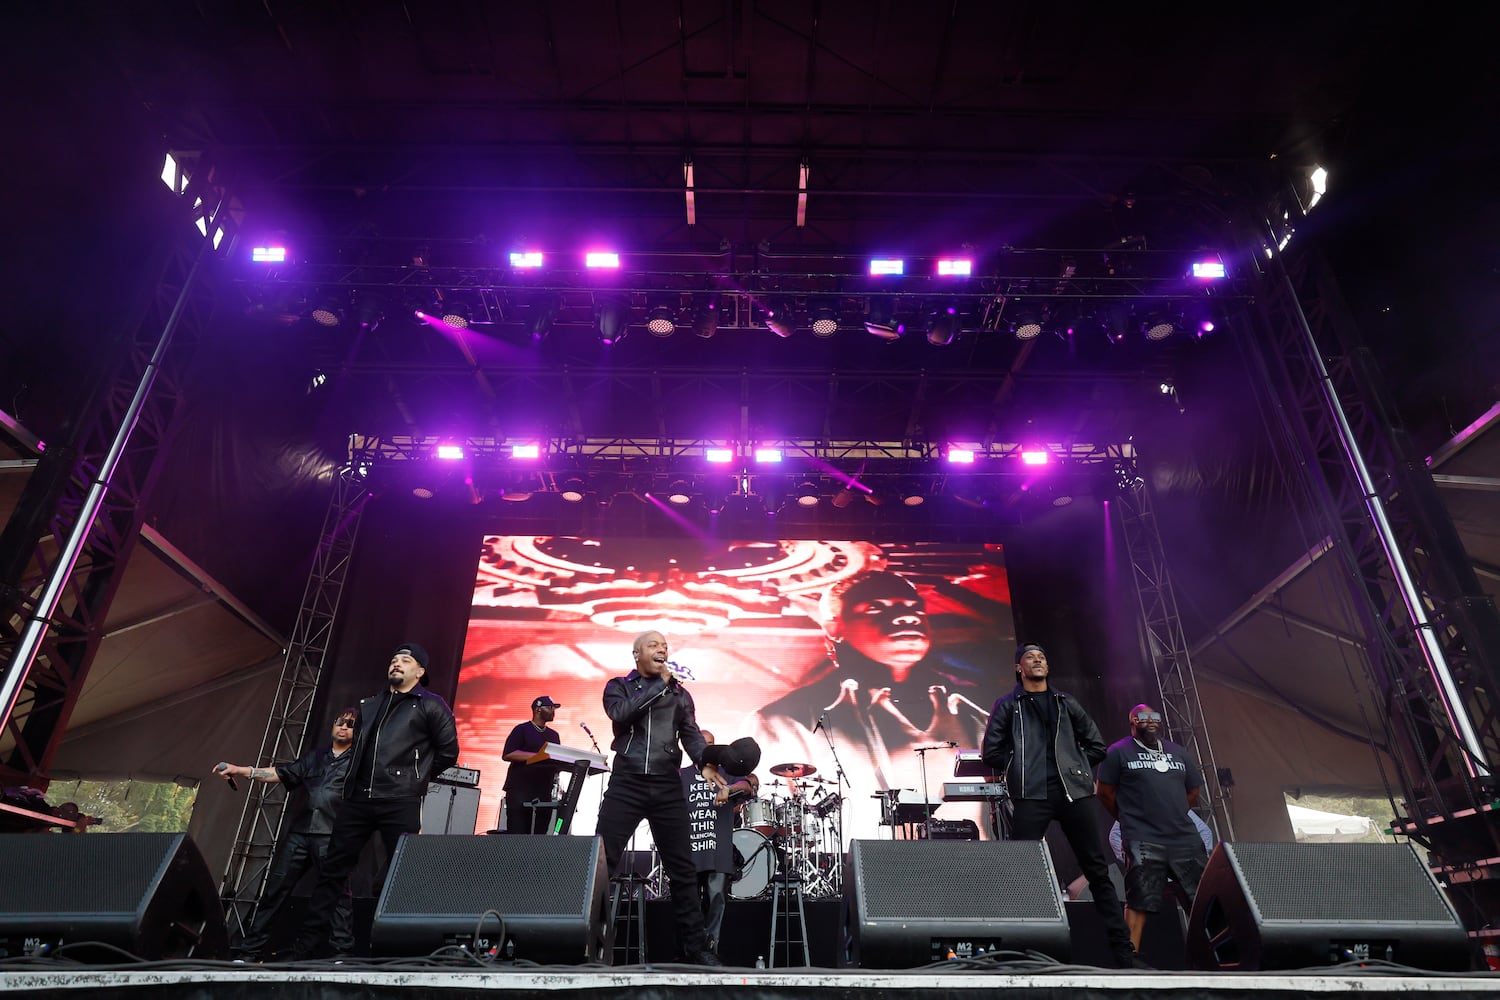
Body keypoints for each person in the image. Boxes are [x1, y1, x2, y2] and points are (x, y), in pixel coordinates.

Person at [744, 571, 992, 841]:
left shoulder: (972, 711)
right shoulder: (785, 721)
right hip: (858, 874)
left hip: (971, 870)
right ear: (835, 628)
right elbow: (774, 818)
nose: (907, 617)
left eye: (914, 608)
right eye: (877, 608)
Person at [292, 642, 460, 960]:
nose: (396, 663)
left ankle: (404, 949)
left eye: (405, 660)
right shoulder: (370, 705)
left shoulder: (431, 705)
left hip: (400, 799)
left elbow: (449, 751)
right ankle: (306, 947)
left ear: (420, 671)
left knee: (404, 873)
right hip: (358, 801)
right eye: (393, 659)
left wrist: (414, 777)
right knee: (332, 873)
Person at [981, 643, 1135, 969]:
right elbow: (991, 751)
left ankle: (1124, 953)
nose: (1038, 661)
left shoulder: (1066, 702)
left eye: (1042, 657)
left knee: (1096, 870)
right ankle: (1021, 951)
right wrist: (1020, 766)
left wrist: (1077, 769)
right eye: (1030, 658)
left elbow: (1096, 744)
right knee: (1020, 872)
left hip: (1073, 795)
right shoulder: (1008, 705)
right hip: (1031, 794)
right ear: (1018, 668)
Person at [596, 630, 729, 967]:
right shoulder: (619, 687)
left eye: (665, 646)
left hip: (666, 785)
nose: (662, 649)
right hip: (627, 783)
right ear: (636, 654)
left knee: (683, 871)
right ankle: (586, 938)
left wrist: (705, 764)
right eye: (654, 645)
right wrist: (661, 686)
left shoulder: (680, 695)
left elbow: (691, 735)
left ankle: (695, 948)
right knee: (601, 864)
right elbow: (621, 714)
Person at [218, 708, 359, 961]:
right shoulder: (316, 757)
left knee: (337, 894)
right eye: (340, 722)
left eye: (350, 725)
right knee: (274, 891)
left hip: (332, 836)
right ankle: (250, 952)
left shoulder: (360, 760)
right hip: (300, 834)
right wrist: (241, 770)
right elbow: (281, 773)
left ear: (357, 732)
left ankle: (342, 954)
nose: (343, 727)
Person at [1096, 703, 1209, 956]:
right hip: (1143, 838)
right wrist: (1130, 819)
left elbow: (1193, 791)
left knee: (1200, 899)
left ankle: (1210, 956)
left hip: (1184, 837)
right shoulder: (1118, 752)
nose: (1151, 720)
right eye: (1143, 716)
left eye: (1155, 716)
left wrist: (1173, 814)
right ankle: (1129, 959)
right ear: (1132, 721)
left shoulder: (1179, 752)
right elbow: (1103, 792)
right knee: (1139, 899)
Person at [679, 729, 759, 957]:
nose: (707, 750)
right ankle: (690, 954)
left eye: (711, 745)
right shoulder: (681, 774)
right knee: (689, 906)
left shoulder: (727, 773)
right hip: (689, 852)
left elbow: (748, 784)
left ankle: (710, 953)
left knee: (716, 902)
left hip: (717, 851)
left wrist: (729, 789)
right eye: (703, 745)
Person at [502, 695, 563, 834]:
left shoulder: (554, 735)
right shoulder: (521, 729)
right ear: (538, 709)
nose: (553, 711)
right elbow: (508, 754)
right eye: (550, 707)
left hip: (543, 790)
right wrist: (537, 757)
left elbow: (555, 758)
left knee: (540, 835)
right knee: (518, 833)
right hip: (520, 789)